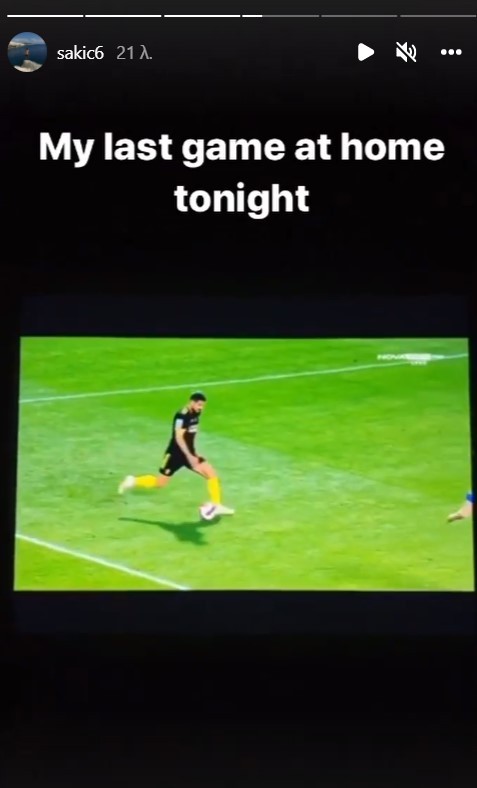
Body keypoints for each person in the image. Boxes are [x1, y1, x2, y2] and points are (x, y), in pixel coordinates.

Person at [118, 391, 234, 516]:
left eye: (203, 406)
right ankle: (133, 481)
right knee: (160, 483)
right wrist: (189, 456)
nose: (201, 408)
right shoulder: (182, 416)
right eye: (199, 405)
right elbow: (179, 437)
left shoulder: (196, 414)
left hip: (189, 454)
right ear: (192, 402)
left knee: (211, 474)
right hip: (174, 455)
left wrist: (192, 454)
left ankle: (216, 505)